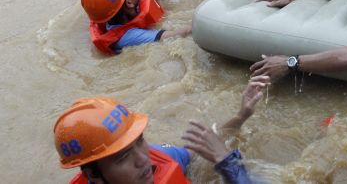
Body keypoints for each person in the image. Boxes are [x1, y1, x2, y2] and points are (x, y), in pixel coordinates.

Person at [53, 75, 270, 184]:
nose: (143, 159)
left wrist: (240, 117)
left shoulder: (158, 158)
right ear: (93, 175)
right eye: (122, 157)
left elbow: (197, 151)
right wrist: (230, 166)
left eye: (139, 141)